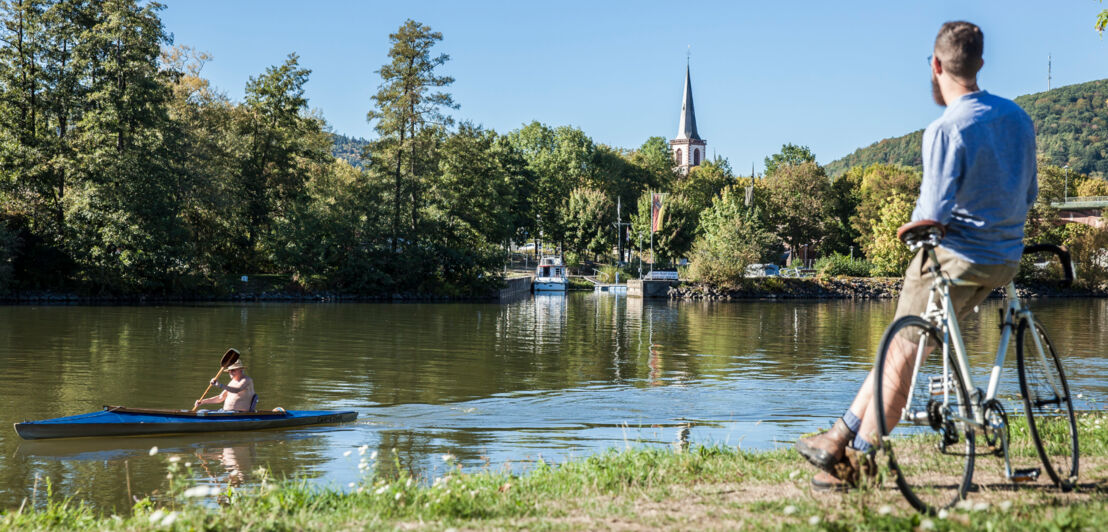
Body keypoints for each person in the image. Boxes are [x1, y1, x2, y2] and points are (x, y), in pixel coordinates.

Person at [795, 20, 1037, 491]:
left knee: (901, 350)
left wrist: (908, 228)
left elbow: (933, 212)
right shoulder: (1018, 119)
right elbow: (1028, 196)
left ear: (935, 65)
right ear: (981, 63)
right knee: (898, 343)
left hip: (958, 258)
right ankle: (836, 436)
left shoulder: (946, 128)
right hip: (1005, 257)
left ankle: (858, 459)